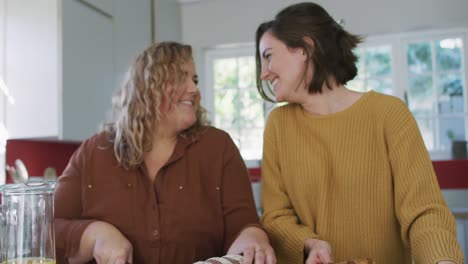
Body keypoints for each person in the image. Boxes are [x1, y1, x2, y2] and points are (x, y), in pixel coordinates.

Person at [255, 2, 464, 264]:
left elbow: (424, 210)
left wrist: (442, 259)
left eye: (268, 55)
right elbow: (275, 215)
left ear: (305, 49)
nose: (263, 73)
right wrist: (309, 243)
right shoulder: (278, 125)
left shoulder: (389, 113)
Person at [54, 42, 276, 264]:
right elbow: (45, 229)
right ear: (148, 86)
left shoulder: (218, 148)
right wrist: (94, 235)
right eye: (181, 77)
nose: (194, 89)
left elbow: (245, 226)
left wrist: (252, 240)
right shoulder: (94, 152)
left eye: (195, 79)